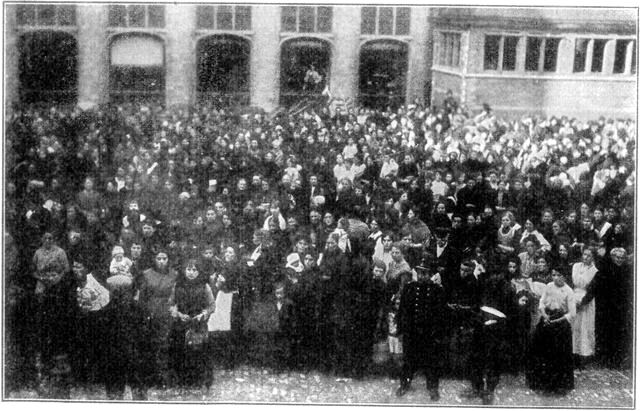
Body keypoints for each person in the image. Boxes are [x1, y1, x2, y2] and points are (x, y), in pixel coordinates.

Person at [396, 265, 449, 401]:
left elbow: (442, 314)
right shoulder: (409, 288)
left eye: (425, 273)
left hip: (429, 332)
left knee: (431, 361)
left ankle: (432, 387)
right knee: (408, 360)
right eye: (420, 273)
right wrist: (401, 330)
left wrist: (439, 333)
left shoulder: (437, 290)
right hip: (412, 331)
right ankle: (404, 384)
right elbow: (402, 310)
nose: (422, 276)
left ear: (430, 274)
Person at [527, 269, 575, 395]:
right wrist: (544, 315)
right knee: (541, 351)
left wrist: (557, 320)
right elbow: (541, 302)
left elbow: (572, 313)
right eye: (553, 275)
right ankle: (541, 383)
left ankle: (558, 385)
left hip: (560, 323)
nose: (555, 278)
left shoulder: (569, 291)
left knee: (558, 354)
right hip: (547, 319)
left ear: (565, 277)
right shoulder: (548, 286)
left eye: (559, 275)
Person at [168, 260, 214, 391]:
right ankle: (181, 380)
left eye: (194, 270)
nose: (191, 273)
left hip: (197, 323)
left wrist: (202, 315)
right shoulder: (177, 285)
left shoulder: (204, 286)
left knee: (198, 352)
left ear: (199, 272)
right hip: (181, 323)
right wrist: (178, 314)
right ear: (184, 271)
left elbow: (211, 305)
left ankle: (198, 381)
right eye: (189, 269)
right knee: (179, 351)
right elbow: (171, 303)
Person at [137, 250, 178, 387]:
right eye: (159, 258)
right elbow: (142, 296)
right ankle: (151, 377)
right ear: (154, 259)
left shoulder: (174, 274)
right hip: (151, 312)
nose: (161, 261)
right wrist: (145, 312)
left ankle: (164, 378)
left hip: (167, 312)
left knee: (165, 345)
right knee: (150, 345)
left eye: (164, 258)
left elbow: (176, 294)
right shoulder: (147, 274)